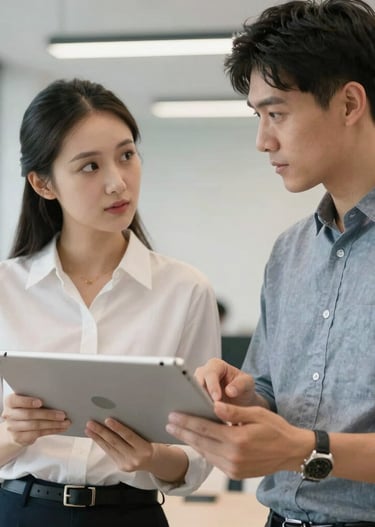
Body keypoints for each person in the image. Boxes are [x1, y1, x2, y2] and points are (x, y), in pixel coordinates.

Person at [166, 0, 375, 524]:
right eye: (258, 116)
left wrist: (304, 449)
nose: (263, 141)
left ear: (349, 103)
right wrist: (240, 393)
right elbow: (272, 394)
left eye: (276, 113)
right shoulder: (290, 252)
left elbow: (299, 441)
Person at [0, 78, 221, 527]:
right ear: (43, 183)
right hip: (19, 513)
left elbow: (202, 451)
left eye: (126, 155)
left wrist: (153, 457)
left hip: (130, 515)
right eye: (89, 167)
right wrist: (11, 436)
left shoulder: (185, 290)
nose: (117, 183)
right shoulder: (5, 290)